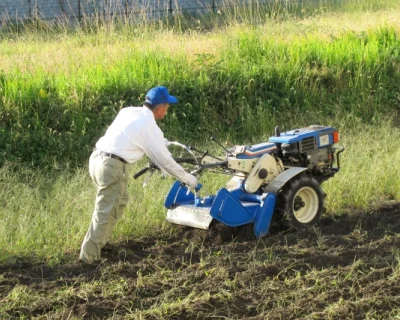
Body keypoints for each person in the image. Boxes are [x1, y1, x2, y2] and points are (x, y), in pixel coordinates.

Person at [79, 86, 198, 263]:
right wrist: (188, 179)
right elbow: (165, 162)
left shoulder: (129, 111)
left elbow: (134, 135)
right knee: (104, 211)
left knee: (120, 200)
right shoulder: (148, 125)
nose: (167, 110)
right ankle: (88, 258)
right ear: (159, 108)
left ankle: (100, 242)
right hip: (111, 167)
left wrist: (161, 142)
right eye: (167, 106)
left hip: (96, 159)